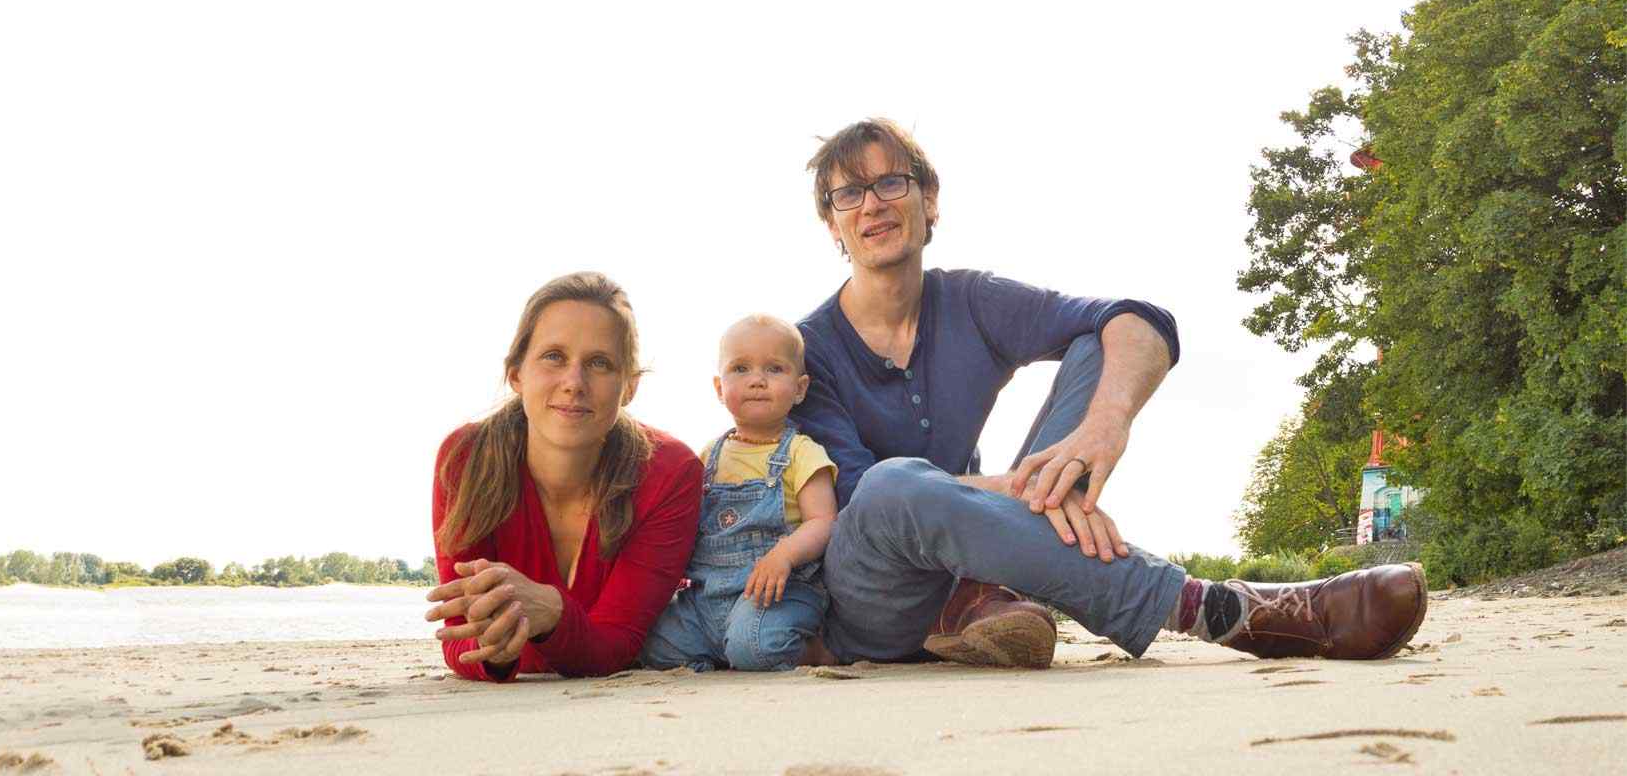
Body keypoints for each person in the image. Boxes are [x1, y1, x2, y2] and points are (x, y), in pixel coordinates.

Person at [786, 118, 1427, 669]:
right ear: (831, 225)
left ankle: (992, 597)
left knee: (1102, 339)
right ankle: (1220, 610)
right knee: (892, 487)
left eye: (892, 182)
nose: (872, 204)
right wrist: (1019, 488)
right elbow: (850, 496)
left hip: (977, 550)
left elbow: (1140, 318)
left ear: (929, 202)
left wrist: (1103, 427)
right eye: (850, 193)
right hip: (872, 595)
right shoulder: (807, 350)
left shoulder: (971, 300)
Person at [423, 271, 706, 681]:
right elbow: (461, 635)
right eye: (554, 356)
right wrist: (496, 649)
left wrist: (552, 611)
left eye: (599, 363)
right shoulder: (465, 459)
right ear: (517, 374)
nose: (574, 383)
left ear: (629, 387)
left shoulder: (669, 473)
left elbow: (615, 646)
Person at [637, 315, 842, 672]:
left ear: (800, 388)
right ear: (719, 388)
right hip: (707, 596)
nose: (757, 380)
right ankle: (722, 648)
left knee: (755, 647)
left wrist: (784, 555)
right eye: (741, 368)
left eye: (775, 369)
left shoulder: (801, 452)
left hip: (778, 593)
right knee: (652, 644)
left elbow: (824, 520)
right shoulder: (707, 457)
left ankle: (812, 649)